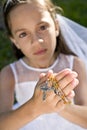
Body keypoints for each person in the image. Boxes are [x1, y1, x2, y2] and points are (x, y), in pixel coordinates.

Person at [0, 0, 87, 130]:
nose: (37, 41)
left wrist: (60, 106)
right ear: (15, 41)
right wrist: (36, 106)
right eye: (23, 34)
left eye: (42, 27)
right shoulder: (10, 74)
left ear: (56, 27)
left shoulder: (74, 65)